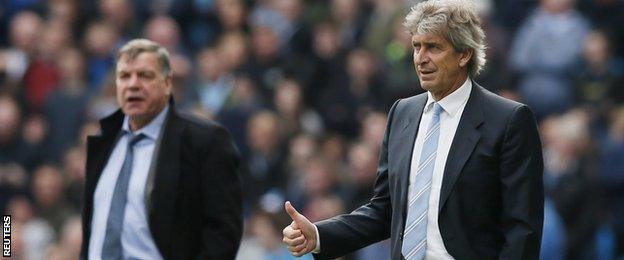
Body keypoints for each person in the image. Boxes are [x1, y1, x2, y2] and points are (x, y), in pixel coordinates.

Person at [282, 1, 544, 259]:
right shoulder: (402, 113)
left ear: (464, 54)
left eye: (433, 47)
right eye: (417, 46)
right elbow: (384, 211)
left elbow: (523, 228)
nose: (421, 58)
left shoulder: (509, 120)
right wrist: (319, 235)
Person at [80, 39, 243, 259]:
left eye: (145, 75)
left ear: (167, 83)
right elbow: (94, 227)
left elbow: (223, 234)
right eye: (124, 76)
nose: (133, 85)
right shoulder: (104, 141)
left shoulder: (204, 141)